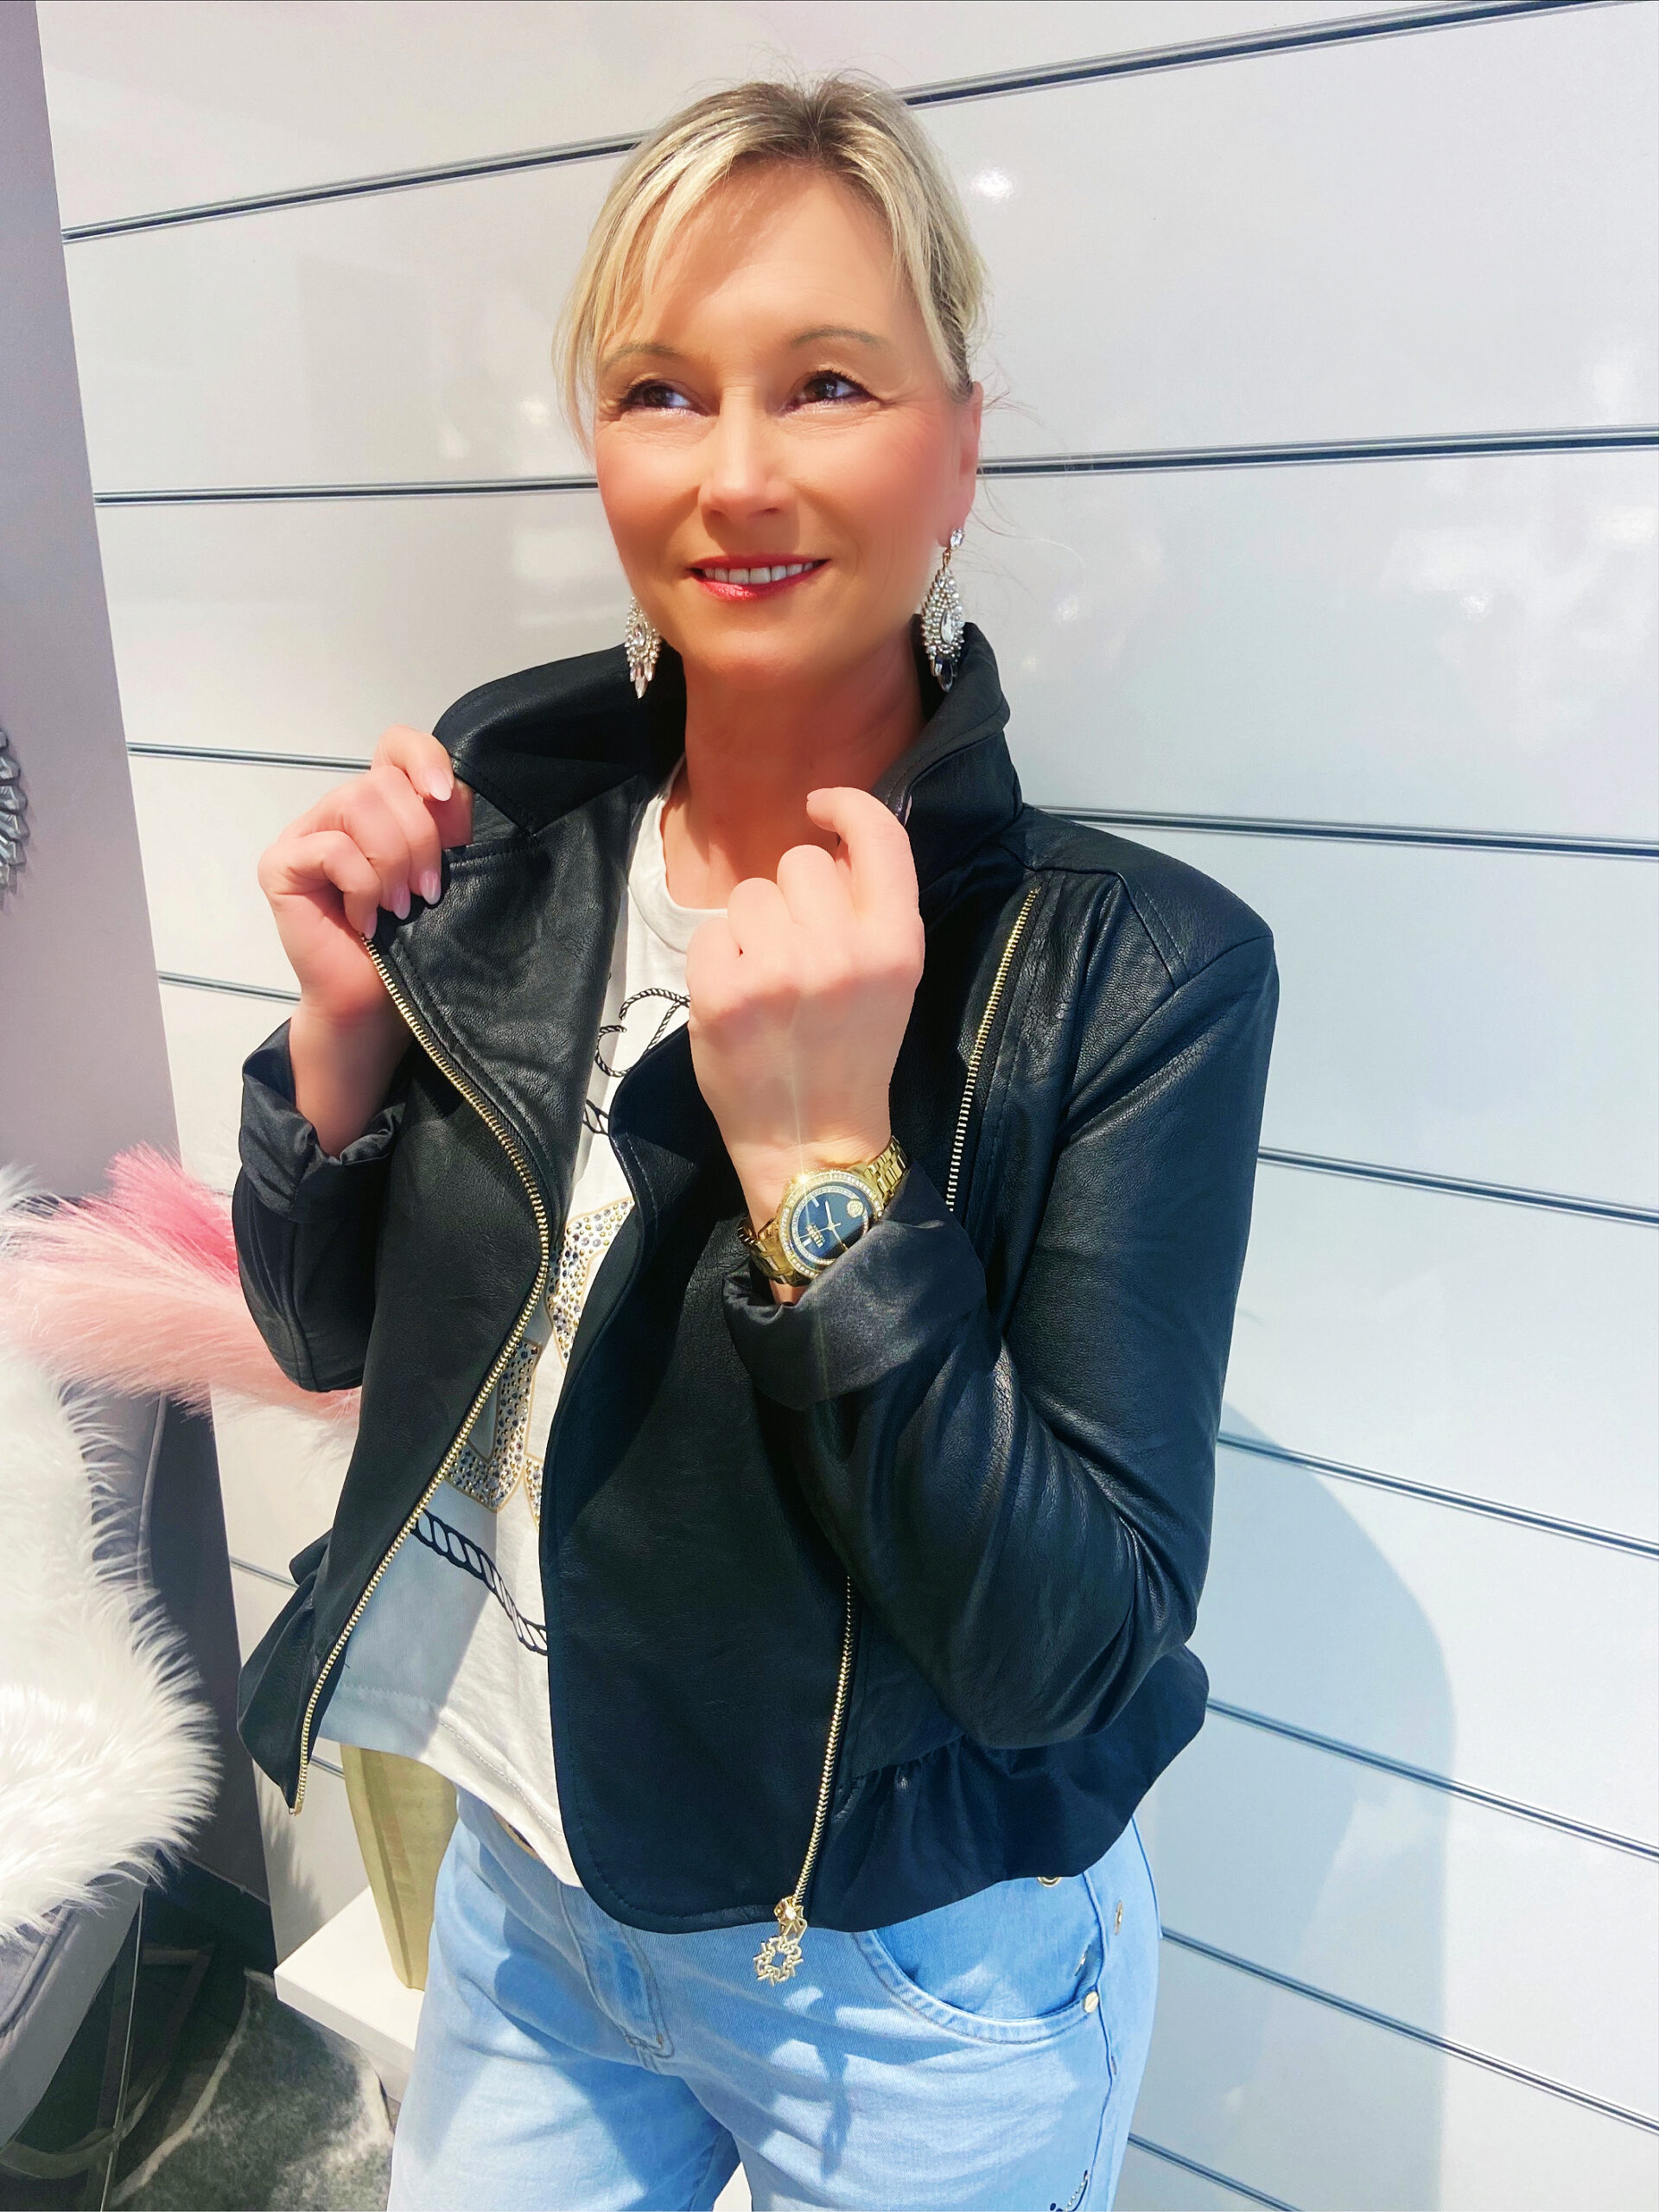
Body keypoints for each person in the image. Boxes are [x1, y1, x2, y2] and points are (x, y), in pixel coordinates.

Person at [232, 75, 1277, 2212]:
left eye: (825, 382)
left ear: (957, 445)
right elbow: (330, 1338)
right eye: (658, 391)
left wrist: (825, 1173)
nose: (732, 473)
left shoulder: (1129, 971)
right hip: (534, 1886)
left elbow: (1070, 1653)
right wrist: (340, 1036)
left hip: (908, 1985)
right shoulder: (501, 855)